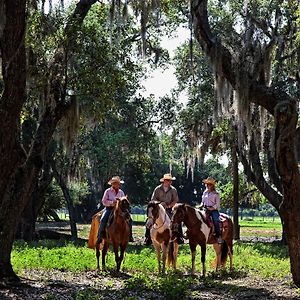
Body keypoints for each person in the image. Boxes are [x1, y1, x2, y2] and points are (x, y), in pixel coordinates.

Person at [144, 173, 184, 245]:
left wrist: (169, 206)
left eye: (169, 180)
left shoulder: (173, 190)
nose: (168, 182)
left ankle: (179, 237)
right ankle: (147, 238)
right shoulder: (157, 189)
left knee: (177, 220)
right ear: (163, 181)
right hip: (158, 209)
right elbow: (153, 199)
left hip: (169, 208)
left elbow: (175, 200)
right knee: (149, 220)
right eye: (166, 180)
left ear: (171, 182)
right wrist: (159, 204)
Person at [96, 176, 134, 245]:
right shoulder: (107, 191)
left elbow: (124, 201)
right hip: (109, 208)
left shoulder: (121, 192)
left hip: (120, 209)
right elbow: (104, 201)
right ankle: (100, 236)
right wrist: (111, 203)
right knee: (103, 219)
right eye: (116, 183)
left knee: (129, 219)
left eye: (118, 183)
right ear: (112, 184)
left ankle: (130, 236)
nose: (117, 185)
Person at [201, 177, 223, 244]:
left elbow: (217, 204)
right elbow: (202, 201)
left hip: (213, 210)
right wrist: (201, 205)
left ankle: (218, 236)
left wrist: (212, 208)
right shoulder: (205, 192)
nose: (208, 186)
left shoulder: (216, 194)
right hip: (205, 209)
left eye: (210, 184)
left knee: (216, 220)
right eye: (207, 184)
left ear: (212, 185)